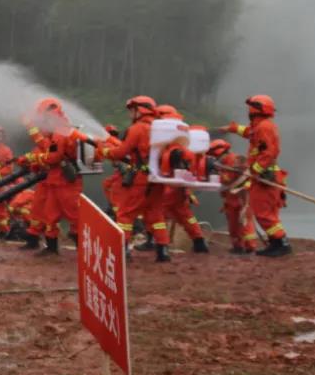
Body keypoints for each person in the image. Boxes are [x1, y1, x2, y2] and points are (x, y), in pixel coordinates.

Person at [95, 95, 172, 262]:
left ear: (140, 110)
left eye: (132, 111)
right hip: (158, 179)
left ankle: (123, 251)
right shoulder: (161, 129)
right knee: (156, 215)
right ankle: (163, 251)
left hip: (141, 179)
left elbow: (121, 152)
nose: (130, 114)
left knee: (125, 214)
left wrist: (105, 151)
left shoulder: (138, 129)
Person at [19, 98, 87, 256]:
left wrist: (36, 159)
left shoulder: (60, 132)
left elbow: (54, 157)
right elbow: (44, 146)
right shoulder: (55, 132)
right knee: (50, 214)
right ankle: (51, 248)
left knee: (74, 214)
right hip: (55, 180)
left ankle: (83, 248)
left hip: (66, 181)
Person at [226, 95, 292, 257]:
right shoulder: (261, 126)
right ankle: (276, 243)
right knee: (265, 212)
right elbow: (250, 133)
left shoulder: (264, 127)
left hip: (266, 177)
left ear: (255, 110)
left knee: (264, 213)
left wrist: (253, 170)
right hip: (264, 176)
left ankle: (281, 243)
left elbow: (269, 153)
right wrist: (234, 129)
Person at [143, 105, 209, 253]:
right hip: (180, 187)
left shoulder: (171, 148)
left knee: (154, 212)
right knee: (185, 214)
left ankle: (154, 241)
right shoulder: (183, 145)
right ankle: (199, 241)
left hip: (168, 186)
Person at [208, 139, 257, 254]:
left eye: (216, 156)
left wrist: (219, 175)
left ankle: (250, 247)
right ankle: (237, 246)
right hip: (230, 199)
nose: (216, 159)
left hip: (242, 196)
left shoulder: (237, 160)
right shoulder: (221, 164)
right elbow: (225, 183)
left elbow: (231, 179)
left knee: (245, 222)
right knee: (233, 224)